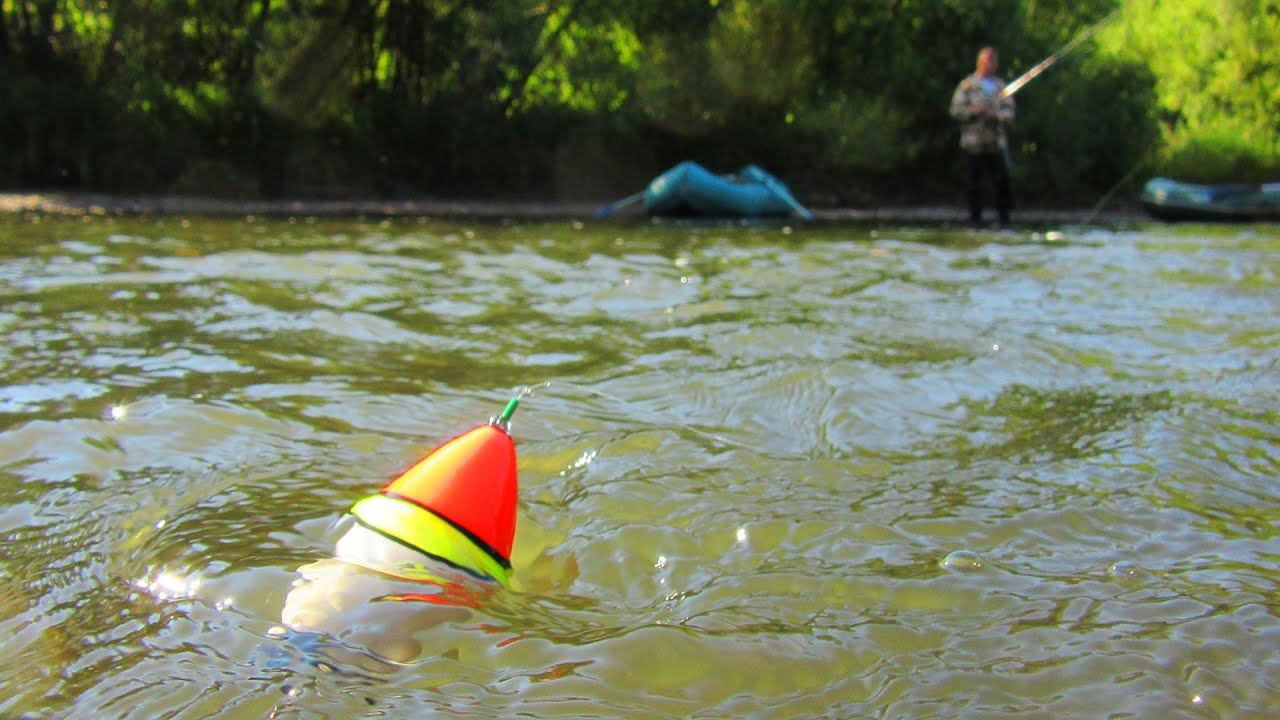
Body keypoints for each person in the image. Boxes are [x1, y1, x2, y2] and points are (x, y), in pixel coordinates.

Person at [950, 47, 1015, 226]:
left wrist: (996, 115)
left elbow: (1010, 113)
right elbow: (956, 111)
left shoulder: (1002, 87)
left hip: (996, 144)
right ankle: (974, 219)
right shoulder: (967, 86)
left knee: (1003, 182)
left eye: (992, 61)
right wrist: (974, 111)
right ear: (979, 62)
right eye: (986, 60)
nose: (989, 64)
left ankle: (1004, 219)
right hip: (974, 144)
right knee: (974, 184)